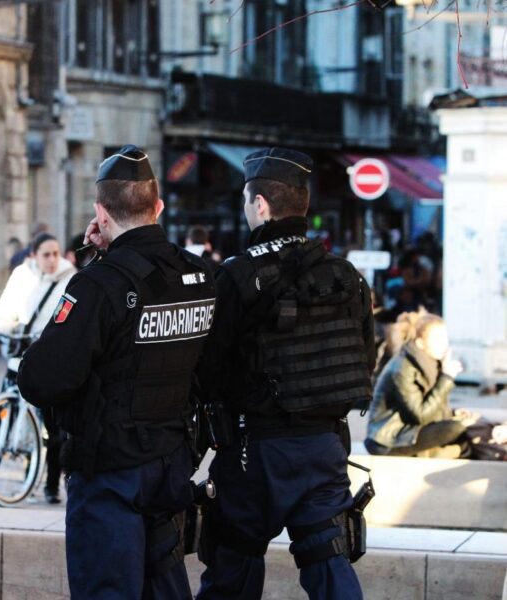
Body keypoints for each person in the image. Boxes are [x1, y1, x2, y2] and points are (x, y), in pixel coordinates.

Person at [17, 145, 217, 599]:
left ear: (100, 214)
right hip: (170, 466)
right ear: (158, 206)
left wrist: (95, 262)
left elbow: (41, 379)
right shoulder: (200, 275)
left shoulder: (98, 284)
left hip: (110, 473)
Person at [195, 147, 375, 600]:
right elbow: (364, 357)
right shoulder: (346, 275)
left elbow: (208, 369)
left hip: (254, 450)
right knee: (330, 563)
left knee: (232, 568)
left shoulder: (237, 276)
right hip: (324, 448)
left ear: (260, 205)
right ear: (304, 205)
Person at [0, 232, 76, 503]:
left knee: (53, 426)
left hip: (48, 360)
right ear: (34, 255)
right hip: (20, 355)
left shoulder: (70, 278)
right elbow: (7, 308)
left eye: (56, 253)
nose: (52, 260)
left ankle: (51, 486)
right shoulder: (22, 275)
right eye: (46, 254)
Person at [365, 311, 472, 458]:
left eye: (445, 338)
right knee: (455, 430)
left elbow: (429, 405)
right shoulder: (403, 369)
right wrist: (446, 378)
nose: (444, 345)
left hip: (409, 431)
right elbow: (420, 415)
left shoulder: (430, 363)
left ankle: (445, 454)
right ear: (420, 343)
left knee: (467, 427)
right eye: (438, 340)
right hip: (387, 441)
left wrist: (453, 413)